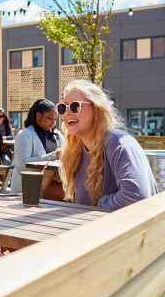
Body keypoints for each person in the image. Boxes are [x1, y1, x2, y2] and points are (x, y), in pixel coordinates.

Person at [58, 80, 158, 210]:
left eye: (74, 106)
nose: (67, 113)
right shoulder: (75, 151)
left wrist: (100, 205)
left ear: (96, 108)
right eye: (62, 108)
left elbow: (136, 196)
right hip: (95, 227)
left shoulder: (119, 142)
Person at [11, 99, 64, 194]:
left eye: (55, 119)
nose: (53, 122)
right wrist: (53, 156)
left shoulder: (57, 134)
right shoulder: (24, 135)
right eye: (50, 118)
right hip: (27, 192)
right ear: (38, 116)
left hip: (52, 190)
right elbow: (23, 164)